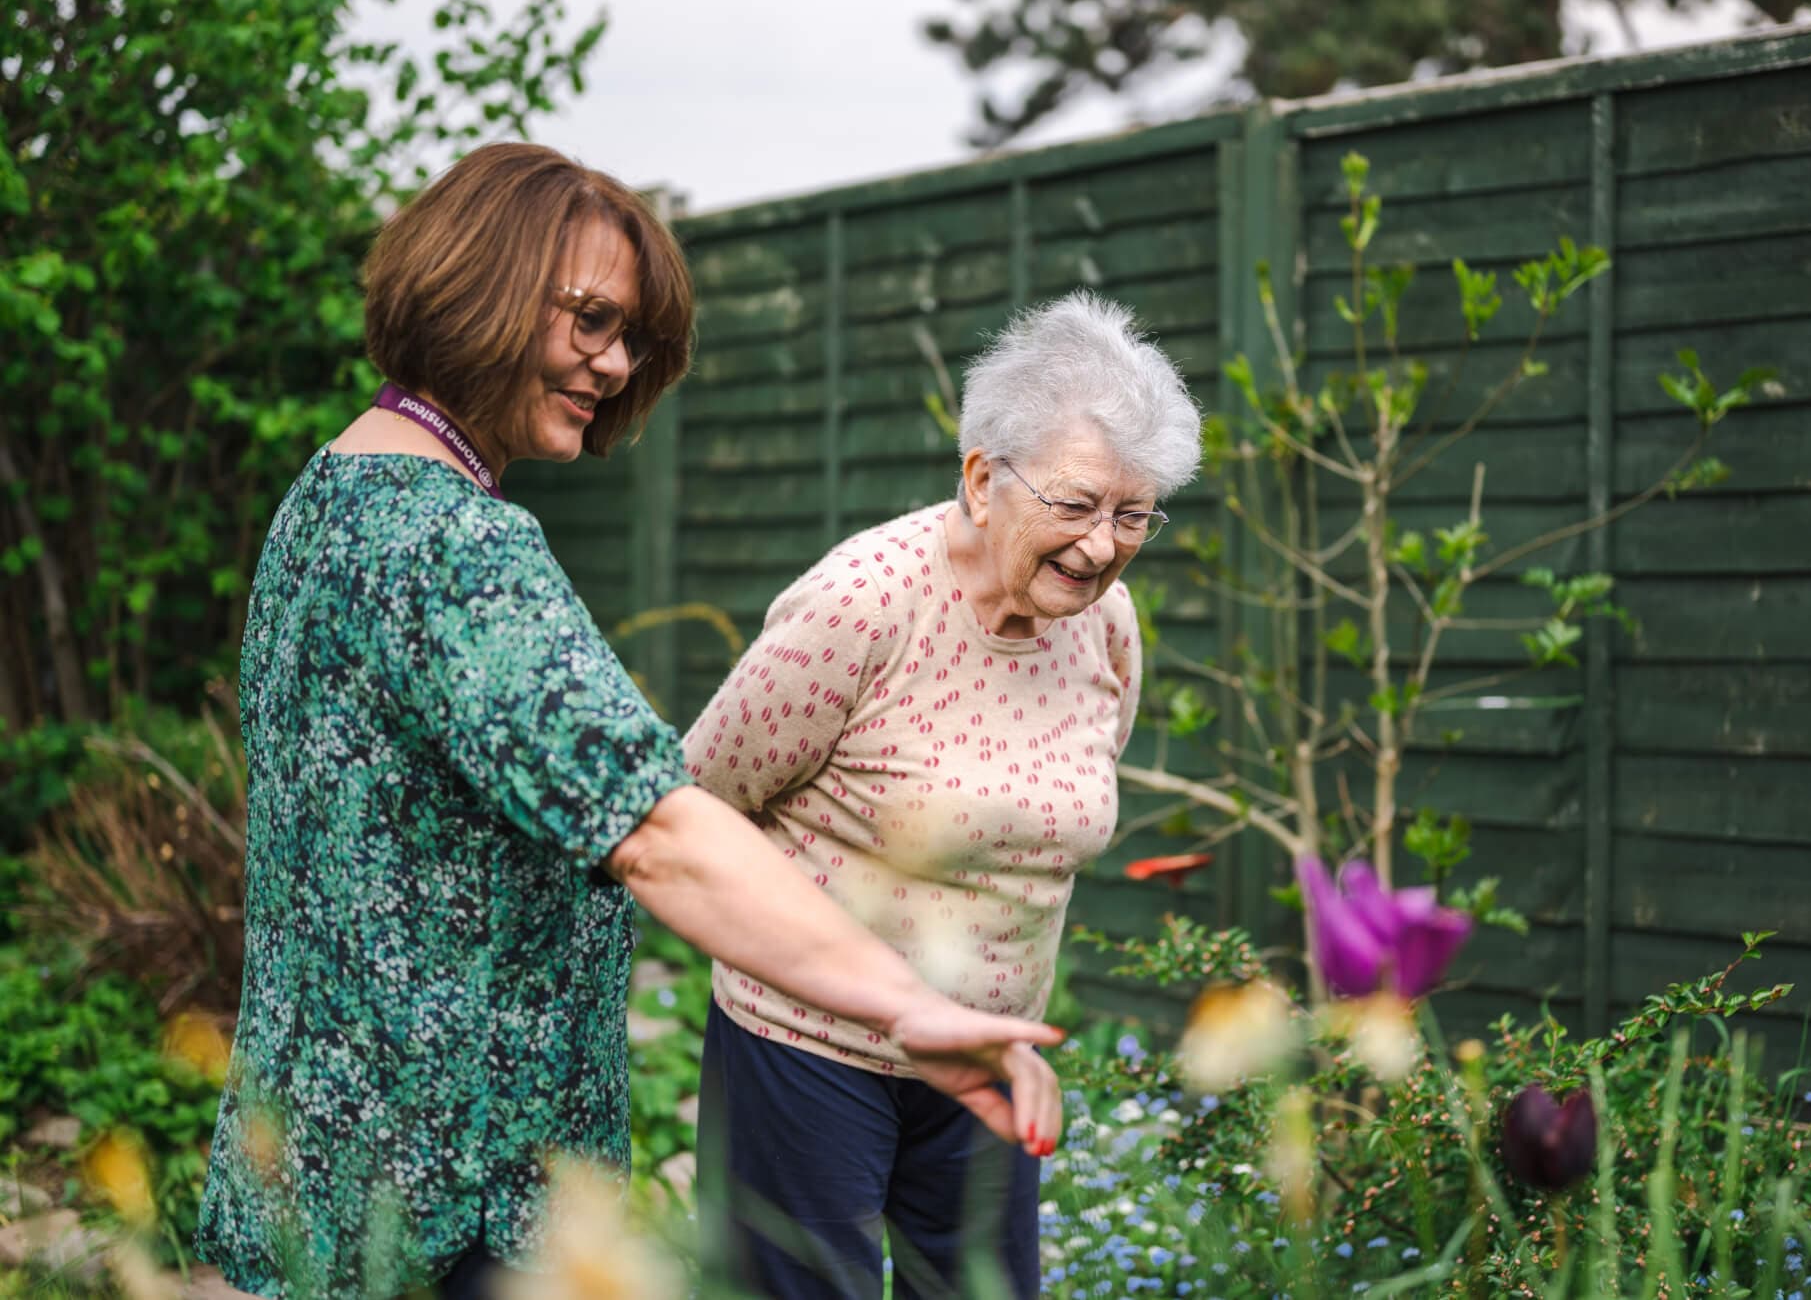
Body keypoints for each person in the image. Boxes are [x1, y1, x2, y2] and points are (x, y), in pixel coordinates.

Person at [193, 142, 1065, 1300]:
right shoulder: (459, 548)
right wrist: (906, 1003)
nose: (612, 364)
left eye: (633, 340)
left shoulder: (332, 493)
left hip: (318, 1159)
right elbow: (656, 830)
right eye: (591, 320)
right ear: (478, 284)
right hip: (449, 1192)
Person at [682, 291, 1204, 1299]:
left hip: (984, 1063)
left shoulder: (1106, 626)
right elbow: (697, 800)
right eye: (1075, 504)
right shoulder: (861, 604)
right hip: (807, 1054)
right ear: (979, 478)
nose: (1102, 545)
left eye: (1132, 514)